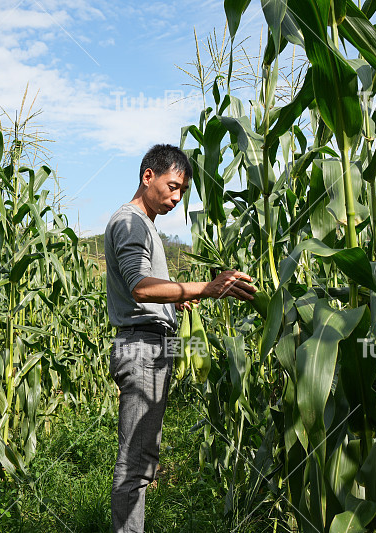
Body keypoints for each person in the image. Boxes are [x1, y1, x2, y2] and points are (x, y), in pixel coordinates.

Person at [104, 143, 256, 532]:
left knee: (143, 460)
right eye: (172, 186)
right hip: (141, 349)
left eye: (182, 192)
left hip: (152, 344)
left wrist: (176, 299)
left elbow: (147, 286)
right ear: (147, 176)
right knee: (135, 465)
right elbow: (139, 286)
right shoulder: (131, 221)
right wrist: (202, 288)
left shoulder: (146, 226)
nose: (176, 198)